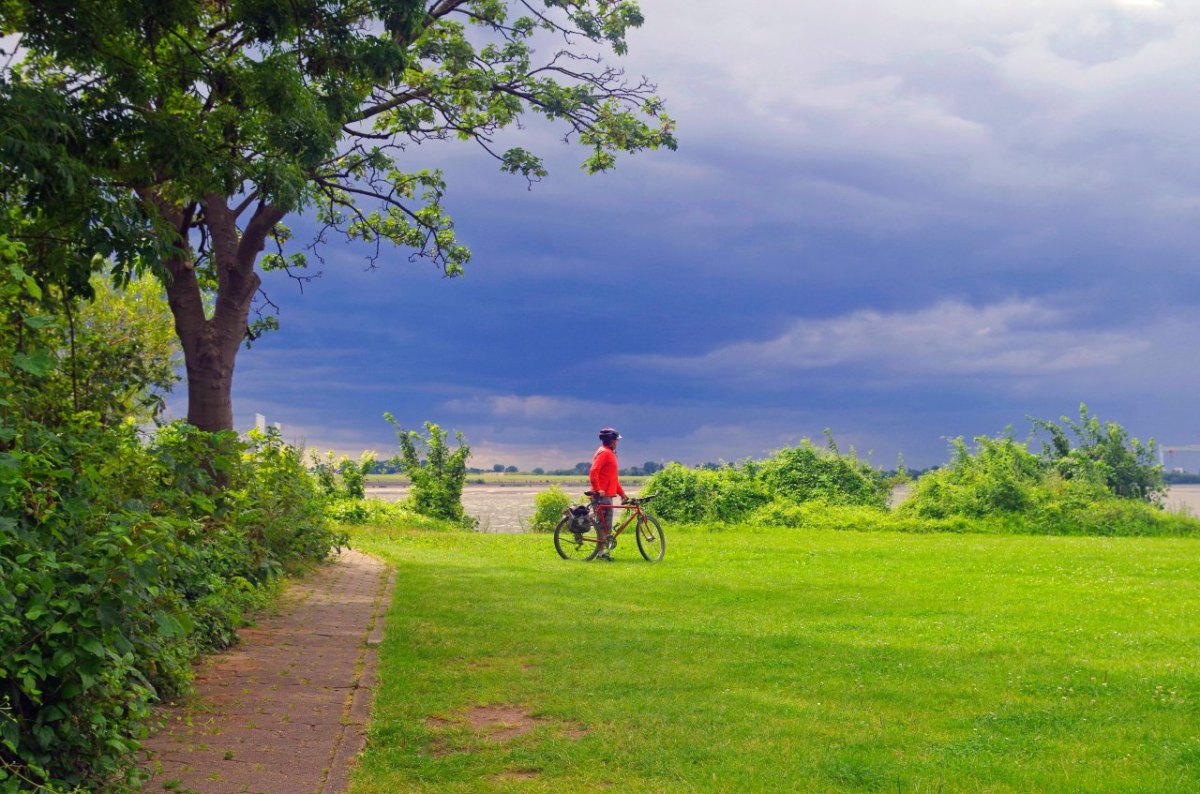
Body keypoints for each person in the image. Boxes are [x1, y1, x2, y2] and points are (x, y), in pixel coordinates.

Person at [589, 427, 626, 561]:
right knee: (603, 526)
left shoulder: (609, 453)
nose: (617, 442)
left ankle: (602, 552)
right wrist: (598, 489)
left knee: (606, 525)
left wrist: (622, 494)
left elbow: (613, 480)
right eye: (616, 440)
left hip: (607, 495)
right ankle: (601, 553)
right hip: (601, 496)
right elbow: (594, 471)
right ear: (611, 441)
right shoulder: (604, 453)